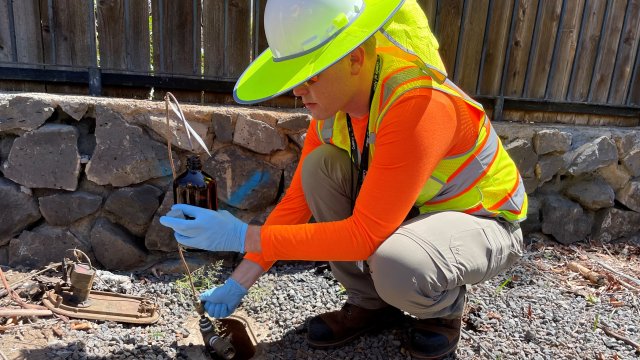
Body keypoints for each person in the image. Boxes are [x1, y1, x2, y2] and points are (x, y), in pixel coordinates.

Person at [160, 0, 527, 358]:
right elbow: (297, 203)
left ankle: (441, 313)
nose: (299, 89)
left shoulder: (419, 104)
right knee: (321, 167)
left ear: (355, 58)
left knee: (398, 263)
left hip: (483, 219)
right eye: (295, 76)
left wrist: (242, 235)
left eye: (312, 73)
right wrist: (240, 281)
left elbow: (364, 236)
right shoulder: (332, 112)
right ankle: (371, 305)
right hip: (414, 214)